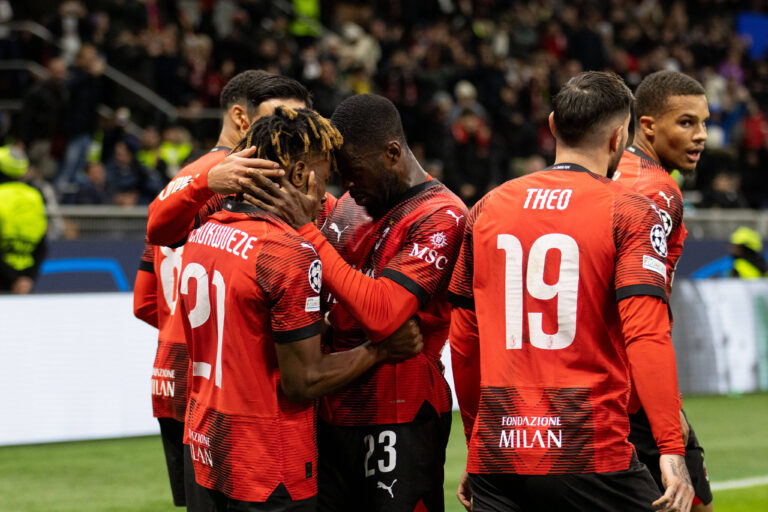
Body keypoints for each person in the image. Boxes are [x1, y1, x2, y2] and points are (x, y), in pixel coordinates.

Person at [447, 71, 693, 512]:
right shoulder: (630, 210)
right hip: (589, 446)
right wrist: (670, 448)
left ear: (553, 125)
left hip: (499, 451)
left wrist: (477, 443)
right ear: (620, 137)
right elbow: (646, 334)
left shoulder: (486, 208)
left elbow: (464, 341)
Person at [179, 106, 422, 511]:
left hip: (207, 447)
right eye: (325, 175)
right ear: (298, 176)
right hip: (267, 466)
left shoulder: (203, 234)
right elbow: (302, 381)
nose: (329, 190)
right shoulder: (286, 254)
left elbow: (248, 337)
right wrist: (379, 350)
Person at [245, 94, 468, 511]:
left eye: (355, 173)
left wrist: (307, 233)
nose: (347, 187)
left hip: (400, 414)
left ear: (391, 153)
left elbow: (383, 314)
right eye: (341, 177)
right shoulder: (350, 205)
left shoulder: (442, 215)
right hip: (332, 411)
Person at [133, 70, 311, 510]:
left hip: (185, 384)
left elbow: (145, 301)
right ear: (240, 117)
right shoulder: (212, 181)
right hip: (240, 390)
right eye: (283, 120)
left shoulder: (184, 187)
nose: (297, 134)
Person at [613, 70, 714, 511]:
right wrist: (663, 409)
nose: (702, 136)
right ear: (649, 125)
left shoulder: (613, 173)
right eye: (687, 123)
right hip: (630, 391)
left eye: (705, 122)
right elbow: (640, 316)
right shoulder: (654, 189)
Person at [145, 71, 316, 248]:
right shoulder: (223, 180)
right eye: (279, 121)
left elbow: (149, 265)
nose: (294, 133)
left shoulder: (192, 181)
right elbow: (156, 236)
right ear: (242, 119)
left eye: (303, 123)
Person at [0, 143, 47, 294]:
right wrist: (26, 279)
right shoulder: (35, 196)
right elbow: (42, 245)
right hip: (25, 282)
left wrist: (12, 278)